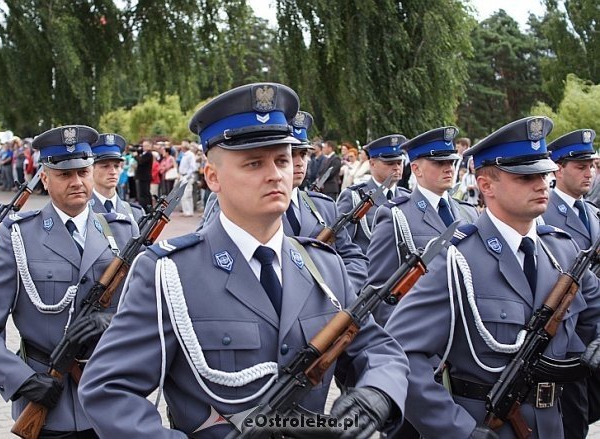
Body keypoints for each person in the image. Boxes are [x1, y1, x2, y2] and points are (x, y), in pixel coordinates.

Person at [78, 83, 409, 438]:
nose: (275, 174)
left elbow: (379, 349)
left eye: (282, 159)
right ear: (213, 177)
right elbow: (107, 390)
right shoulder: (169, 272)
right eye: (254, 163)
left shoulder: (324, 267)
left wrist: (378, 393)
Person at [384, 116, 600, 438]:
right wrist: (456, 430)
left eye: (543, 173)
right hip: (489, 427)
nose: (542, 184)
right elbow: (399, 351)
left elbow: (594, 318)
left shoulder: (563, 253)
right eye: (526, 176)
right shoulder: (457, 259)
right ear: (486, 185)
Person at [0, 125, 139, 438]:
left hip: (109, 397)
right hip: (49, 401)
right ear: (45, 178)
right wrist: (22, 380)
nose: (77, 182)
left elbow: (144, 312)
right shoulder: (19, 234)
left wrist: (110, 320)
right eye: (64, 174)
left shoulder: (122, 231)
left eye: (83, 171)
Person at [198, 111, 370, 292]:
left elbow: (353, 258)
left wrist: (333, 291)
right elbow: (208, 256)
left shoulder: (323, 206)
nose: (298, 163)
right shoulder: (235, 202)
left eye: (302, 154)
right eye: (291, 154)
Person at [366, 126, 479, 325]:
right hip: (418, 330)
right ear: (416, 169)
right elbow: (379, 292)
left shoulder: (467, 212)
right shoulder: (396, 215)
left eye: (451, 162)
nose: (449, 168)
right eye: (439, 162)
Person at [541, 128, 599, 439]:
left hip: (594, 333)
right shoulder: (543, 212)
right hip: (565, 339)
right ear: (558, 169)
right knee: (571, 424)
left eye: (591, 165)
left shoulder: (592, 213)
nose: (589, 173)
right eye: (580, 166)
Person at [336, 134, 411, 253]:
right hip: (367, 268)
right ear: (372, 164)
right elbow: (341, 244)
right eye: (390, 163)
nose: (397, 167)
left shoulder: (407, 198)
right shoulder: (354, 197)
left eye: (399, 162)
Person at [89, 133, 145, 224]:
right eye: (105, 166)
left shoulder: (136, 213)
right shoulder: (80, 210)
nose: (113, 172)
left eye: (116, 166)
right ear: (91, 169)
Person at [178, 143, 198, 217]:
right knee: (182, 195)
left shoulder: (190, 155)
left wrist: (187, 176)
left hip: (187, 177)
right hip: (182, 176)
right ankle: (185, 211)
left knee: (187, 194)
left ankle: (189, 211)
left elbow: (192, 167)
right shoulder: (184, 155)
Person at [135, 140, 154, 211]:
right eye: (143, 146)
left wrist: (135, 156)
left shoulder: (148, 154)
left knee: (145, 194)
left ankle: (146, 208)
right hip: (142, 176)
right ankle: (146, 208)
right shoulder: (144, 153)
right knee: (143, 193)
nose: (143, 147)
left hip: (144, 177)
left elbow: (141, 161)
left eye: (145, 146)